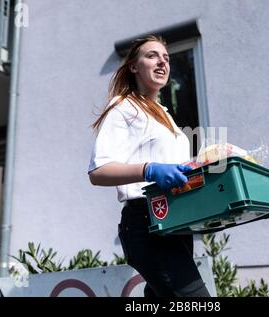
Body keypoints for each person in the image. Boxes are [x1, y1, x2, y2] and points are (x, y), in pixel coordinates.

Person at [88, 35, 211, 297]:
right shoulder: (123, 107)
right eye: (152, 55)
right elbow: (98, 172)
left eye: (166, 58)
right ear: (134, 66)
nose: (162, 62)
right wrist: (149, 169)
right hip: (146, 223)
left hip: (176, 223)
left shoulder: (165, 114)